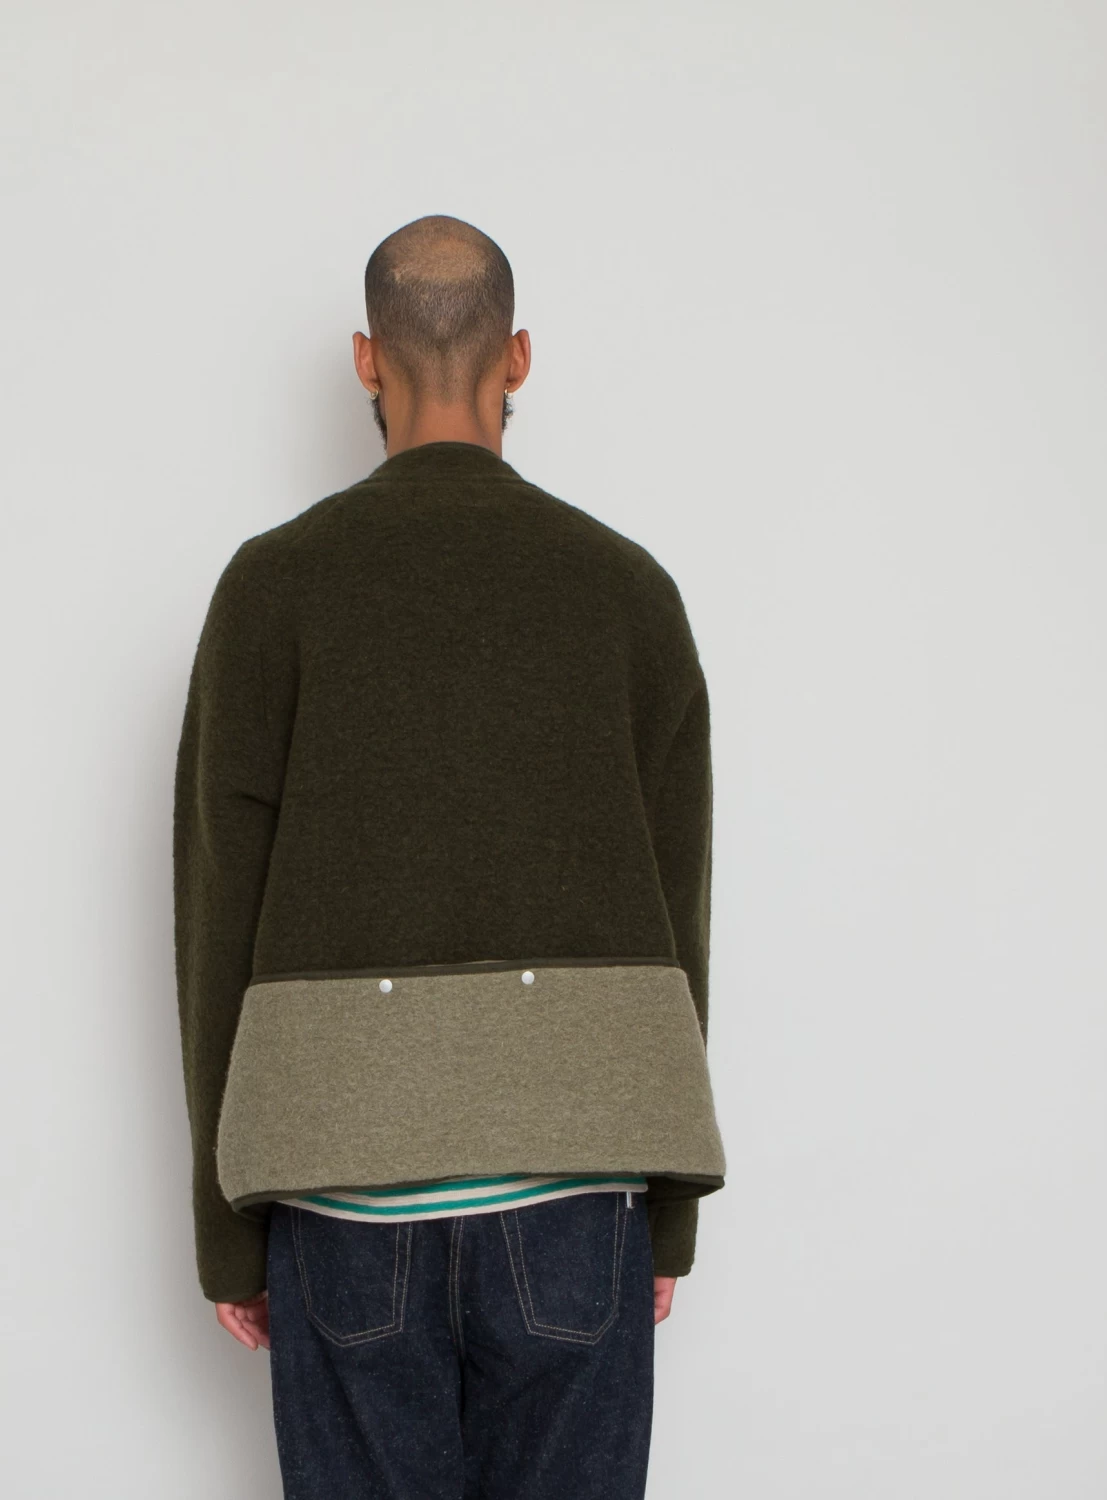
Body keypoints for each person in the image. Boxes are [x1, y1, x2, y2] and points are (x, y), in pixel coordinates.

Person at [172, 213, 725, 1499]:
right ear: (517, 357)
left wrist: (224, 1234)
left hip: (343, 1200)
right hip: (577, 1191)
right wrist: (670, 1209)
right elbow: (679, 906)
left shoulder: (271, 588)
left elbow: (216, 918)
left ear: (367, 359)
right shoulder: (628, 590)